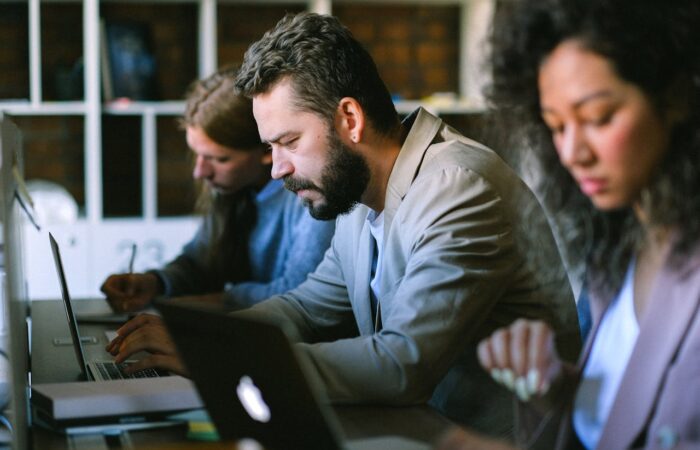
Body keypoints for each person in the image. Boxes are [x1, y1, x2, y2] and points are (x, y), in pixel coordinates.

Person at [106, 13, 580, 434]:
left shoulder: (457, 188)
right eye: (271, 148)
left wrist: (217, 359)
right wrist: (206, 340)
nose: (276, 169)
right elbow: (307, 308)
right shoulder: (360, 193)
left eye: (289, 141)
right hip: (416, 428)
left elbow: (401, 364)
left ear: (349, 119)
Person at [438, 0, 700, 448]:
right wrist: (555, 388)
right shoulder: (616, 253)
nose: (572, 153)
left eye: (598, 118)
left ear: (674, 99)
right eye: (557, 127)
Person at [100, 67, 335, 312]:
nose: (200, 172)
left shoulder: (310, 196)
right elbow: (200, 263)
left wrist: (221, 300)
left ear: (267, 148)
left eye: (219, 159)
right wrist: (153, 283)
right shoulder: (233, 189)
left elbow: (298, 292)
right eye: (198, 155)